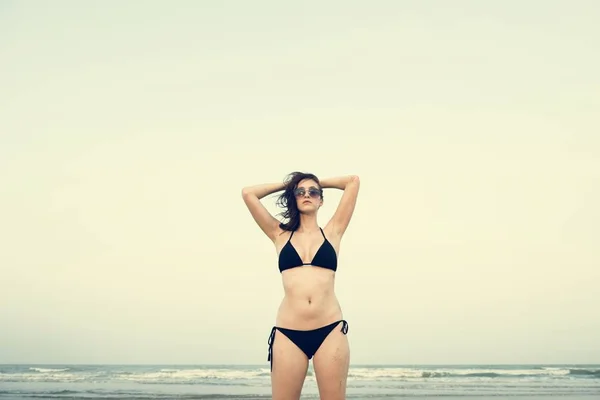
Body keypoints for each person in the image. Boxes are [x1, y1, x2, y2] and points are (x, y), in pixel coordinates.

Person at [241, 172, 360, 400]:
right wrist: (291, 184)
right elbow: (249, 193)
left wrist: (315, 181)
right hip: (288, 333)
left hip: (330, 330)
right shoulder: (279, 234)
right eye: (300, 192)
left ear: (321, 200)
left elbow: (352, 181)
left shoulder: (333, 232)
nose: (307, 195)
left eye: (313, 192)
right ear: (293, 197)